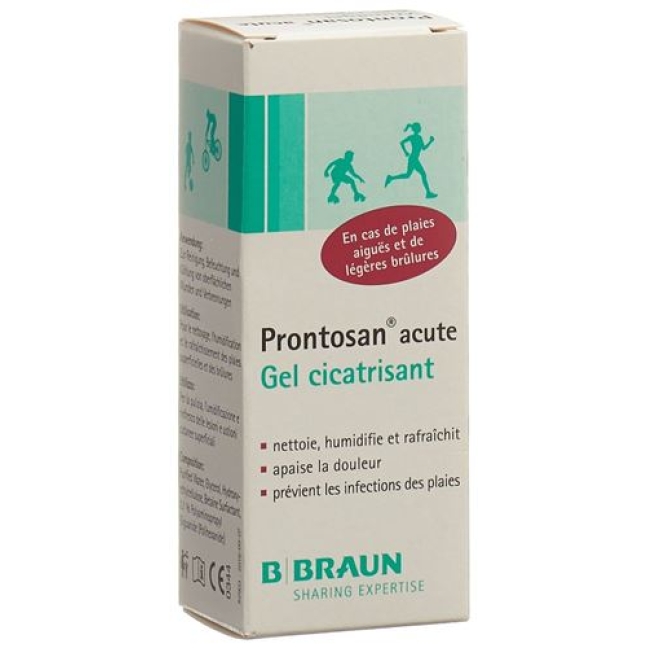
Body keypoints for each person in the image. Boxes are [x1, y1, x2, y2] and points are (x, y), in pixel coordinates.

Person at [385, 123, 437, 198]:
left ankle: (391, 178)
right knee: (422, 174)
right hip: (414, 159)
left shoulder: (413, 137)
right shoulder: (418, 137)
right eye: (420, 127)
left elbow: (402, 143)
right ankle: (428, 193)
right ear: (418, 129)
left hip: (413, 158)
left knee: (408, 175)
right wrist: (430, 141)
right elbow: (424, 148)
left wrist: (405, 152)